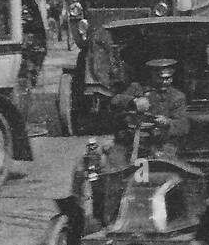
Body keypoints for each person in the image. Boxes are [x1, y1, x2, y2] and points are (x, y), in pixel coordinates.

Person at [69, 58, 189, 198]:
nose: (164, 82)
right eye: (160, 78)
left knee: (169, 174)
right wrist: (132, 101)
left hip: (160, 145)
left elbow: (183, 126)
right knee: (110, 171)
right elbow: (115, 101)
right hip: (129, 143)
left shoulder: (177, 97)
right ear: (152, 76)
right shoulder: (137, 88)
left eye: (168, 78)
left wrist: (167, 122)